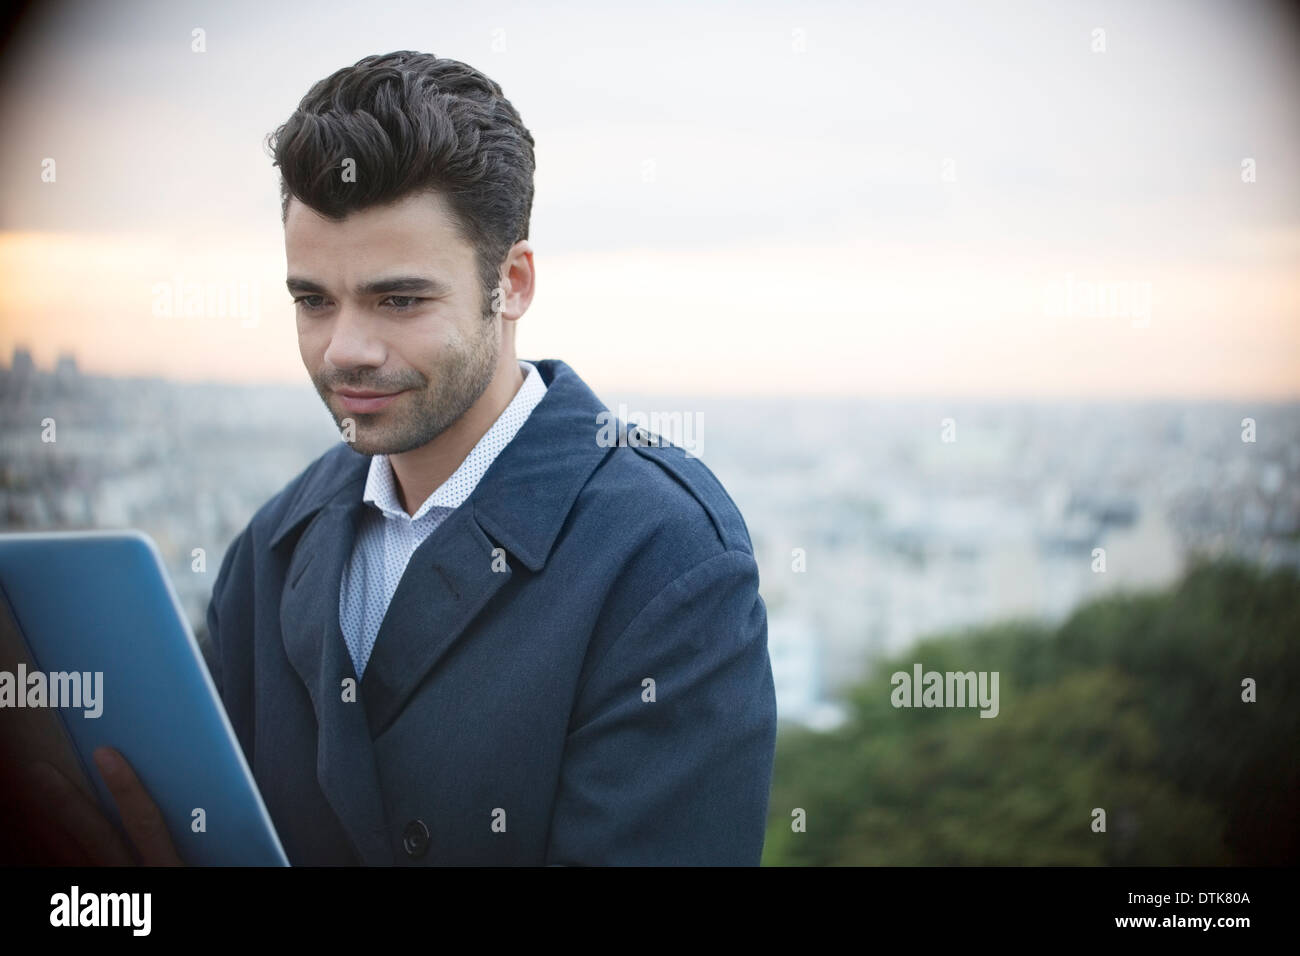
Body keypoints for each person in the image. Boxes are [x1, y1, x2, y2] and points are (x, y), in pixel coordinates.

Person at [22, 50, 777, 866]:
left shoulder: (666, 559)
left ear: (512, 283)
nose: (345, 349)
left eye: (400, 299)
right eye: (312, 300)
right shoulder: (274, 545)